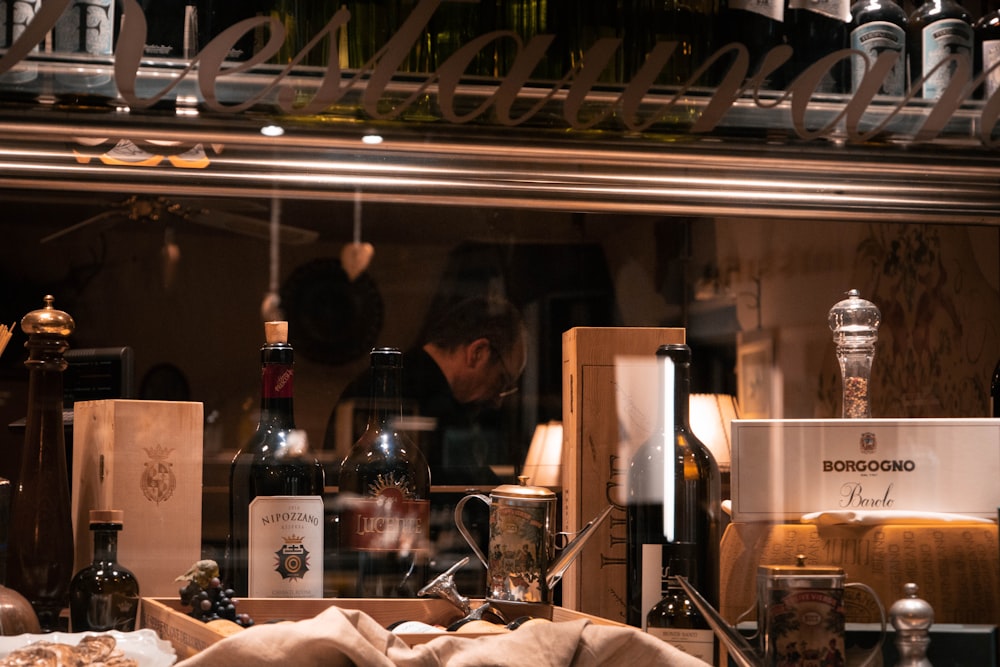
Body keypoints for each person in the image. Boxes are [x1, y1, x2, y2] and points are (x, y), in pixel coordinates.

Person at [327, 295, 527, 486]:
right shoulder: (428, 403)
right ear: (477, 353)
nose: (498, 401)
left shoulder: (399, 381)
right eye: (502, 380)